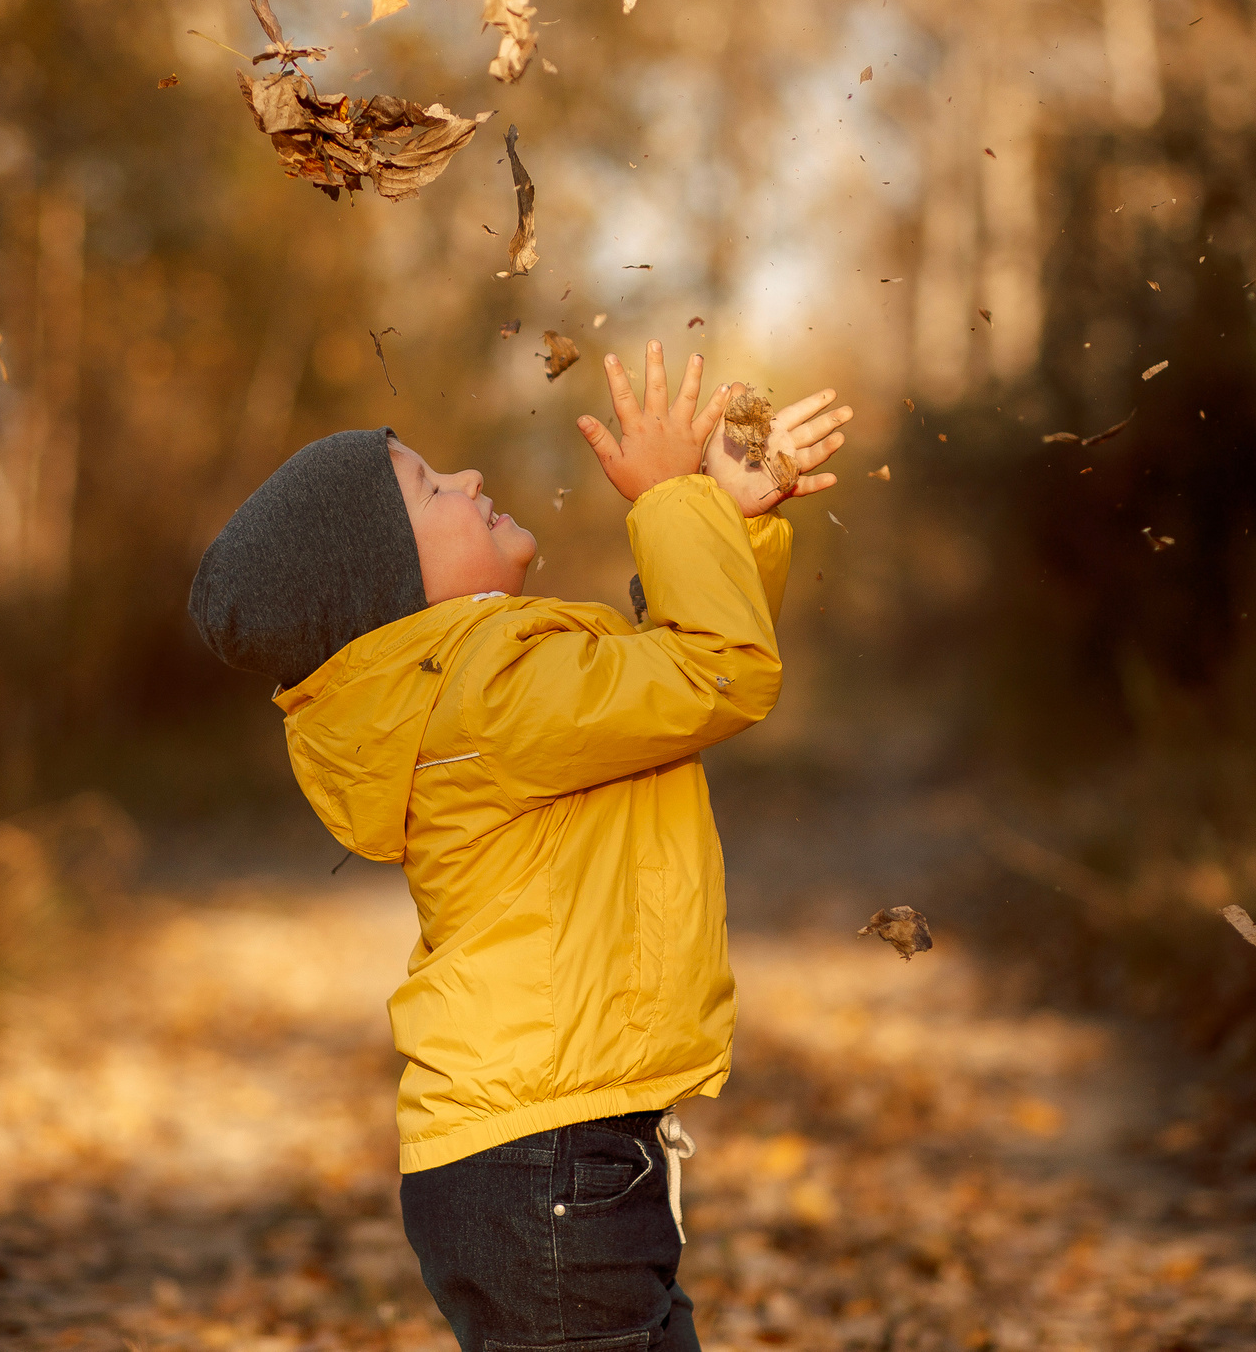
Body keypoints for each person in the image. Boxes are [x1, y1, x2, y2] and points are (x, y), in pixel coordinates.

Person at [189, 341, 851, 1352]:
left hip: (545, 1155)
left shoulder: (473, 687)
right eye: (427, 486)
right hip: (546, 1161)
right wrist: (675, 501)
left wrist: (725, 517)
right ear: (395, 583)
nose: (468, 477)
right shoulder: (484, 693)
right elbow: (712, 672)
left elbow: (662, 674)